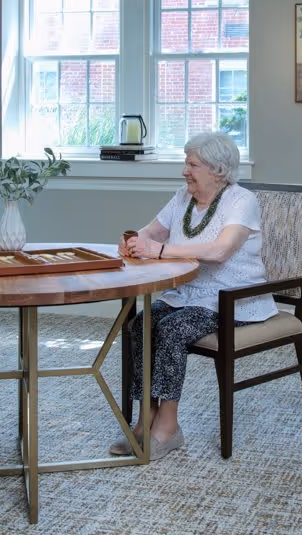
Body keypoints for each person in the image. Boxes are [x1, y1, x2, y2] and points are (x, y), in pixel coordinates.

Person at [111, 131, 277, 460]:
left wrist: (158, 250)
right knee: (142, 324)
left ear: (218, 169)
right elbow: (151, 231)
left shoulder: (241, 201)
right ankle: (146, 419)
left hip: (232, 300)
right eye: (186, 163)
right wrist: (133, 240)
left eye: (192, 164)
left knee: (173, 330)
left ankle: (168, 427)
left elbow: (221, 250)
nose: (185, 171)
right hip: (186, 294)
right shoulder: (183, 198)